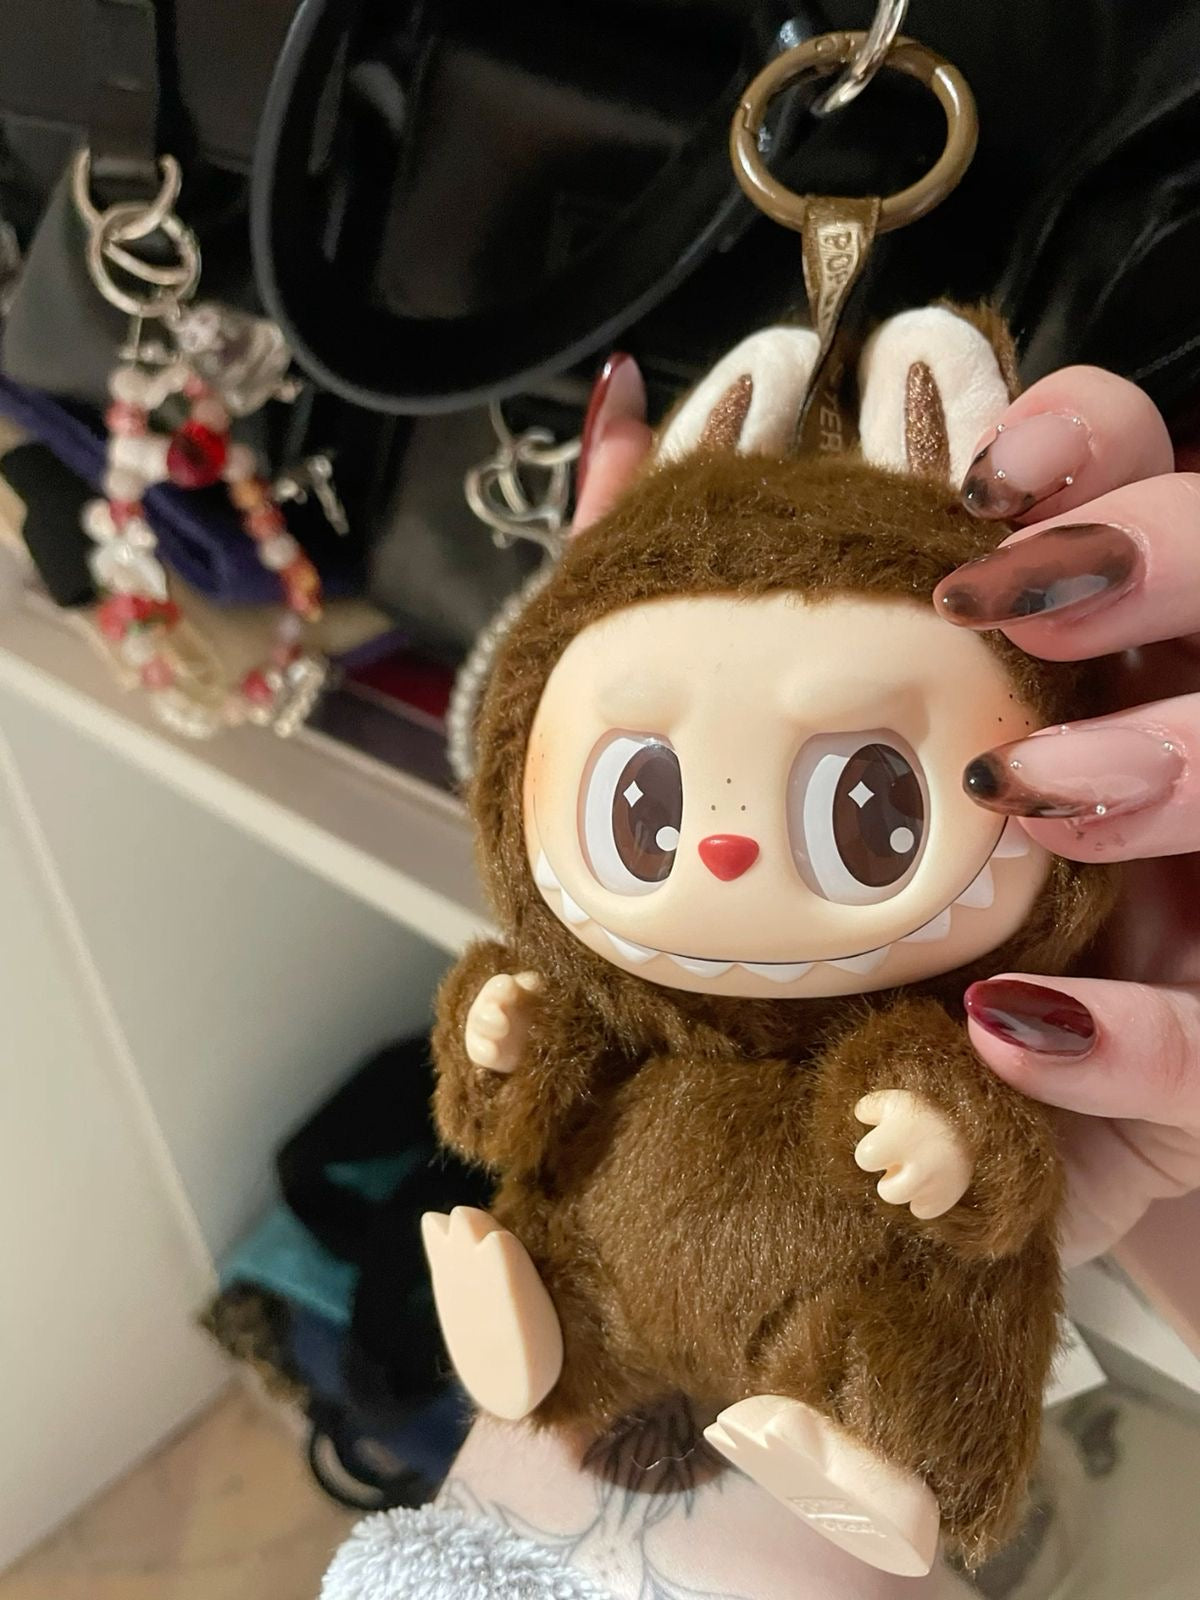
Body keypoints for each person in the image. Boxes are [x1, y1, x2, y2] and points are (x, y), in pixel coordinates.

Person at [322, 359, 1200, 1600]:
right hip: (623, 1321)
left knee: (933, 1324)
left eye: (867, 803)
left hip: (841, 1319)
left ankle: (882, 1463)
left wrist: (944, 1139)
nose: (724, 850)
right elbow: (499, 1111)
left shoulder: (929, 1037)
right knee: (559, 1213)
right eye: (646, 802)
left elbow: (986, 1173)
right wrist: (503, 1034)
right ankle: (542, 1345)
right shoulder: (618, 1013)